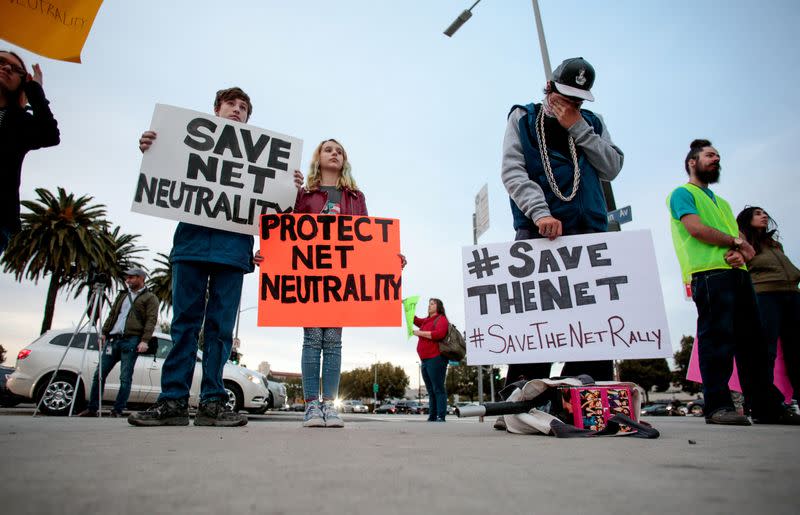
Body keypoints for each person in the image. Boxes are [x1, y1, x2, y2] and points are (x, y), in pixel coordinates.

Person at [129, 87, 303, 427]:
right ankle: (173, 401)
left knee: (220, 331)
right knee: (184, 326)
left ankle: (212, 402)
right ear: (216, 110)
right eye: (231, 105)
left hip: (233, 252)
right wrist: (155, 149)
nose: (237, 111)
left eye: (243, 108)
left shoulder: (263, 160)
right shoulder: (183, 141)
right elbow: (165, 171)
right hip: (192, 246)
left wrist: (290, 186)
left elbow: (279, 213)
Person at [498, 57, 624, 395]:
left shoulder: (593, 123)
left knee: (593, 321)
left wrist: (577, 126)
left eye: (578, 100)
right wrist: (539, 212)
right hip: (540, 231)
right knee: (537, 318)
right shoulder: (524, 118)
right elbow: (513, 171)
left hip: (589, 231)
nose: (571, 105)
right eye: (565, 97)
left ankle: (585, 395)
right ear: (549, 88)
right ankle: (522, 395)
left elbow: (611, 167)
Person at [667, 139, 800, 425]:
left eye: (718, 156)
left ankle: (765, 405)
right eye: (709, 155)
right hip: (709, 274)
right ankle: (717, 405)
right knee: (717, 342)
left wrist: (740, 251)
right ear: (692, 162)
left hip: (738, 277)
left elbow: (745, 248)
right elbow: (696, 228)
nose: (716, 159)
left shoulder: (723, 204)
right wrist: (736, 242)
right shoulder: (682, 193)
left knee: (754, 344)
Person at [0, 50, 60, 254]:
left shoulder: (19, 123)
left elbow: (49, 135)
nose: (7, 68)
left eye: (16, 69)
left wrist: (35, 90)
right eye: (1, 62)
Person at [736, 206, 799, 397]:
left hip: (792, 294)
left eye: (764, 213)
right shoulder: (743, 242)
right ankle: (766, 397)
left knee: (796, 349)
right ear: (747, 220)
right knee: (765, 349)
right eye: (757, 213)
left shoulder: (774, 244)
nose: (763, 216)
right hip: (764, 296)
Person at [78, 268, 159, 417]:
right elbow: (113, 314)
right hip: (113, 339)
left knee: (125, 377)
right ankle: (92, 408)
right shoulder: (122, 296)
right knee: (99, 374)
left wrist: (144, 341)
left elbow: (151, 320)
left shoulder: (150, 298)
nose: (128, 280)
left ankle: (118, 409)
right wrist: (104, 332)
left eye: (131, 278)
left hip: (131, 340)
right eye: (127, 278)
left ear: (141, 278)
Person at [413, 298, 450, 422]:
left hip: (436, 358)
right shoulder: (427, 320)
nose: (429, 306)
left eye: (432, 304)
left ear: (438, 306)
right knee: (430, 389)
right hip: (425, 360)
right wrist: (407, 307)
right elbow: (415, 320)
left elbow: (438, 334)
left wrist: (420, 333)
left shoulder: (441, 319)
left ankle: (441, 415)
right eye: (429, 304)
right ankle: (432, 415)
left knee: (438, 388)